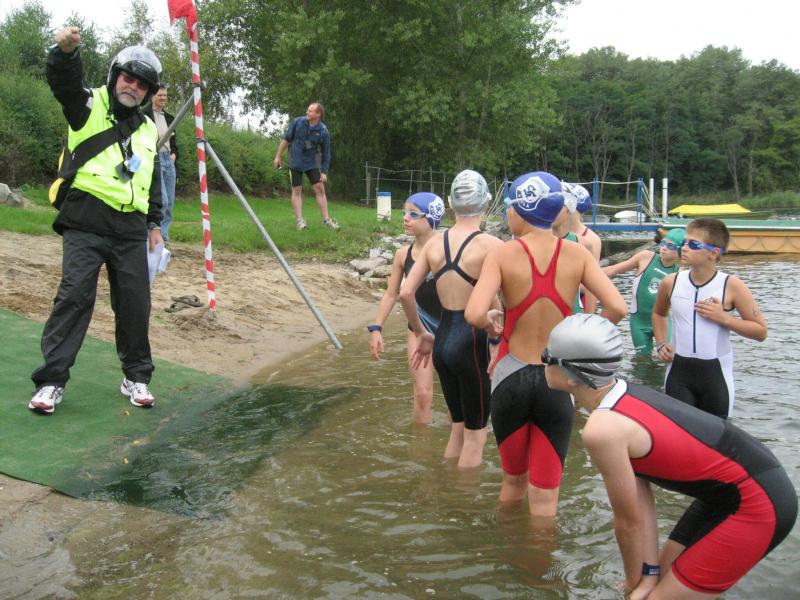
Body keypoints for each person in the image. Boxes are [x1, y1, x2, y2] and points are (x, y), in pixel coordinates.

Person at [542, 313, 796, 599]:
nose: (542, 362)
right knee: (658, 581)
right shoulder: (621, 393)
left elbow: (627, 523)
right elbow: (641, 501)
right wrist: (647, 574)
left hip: (761, 504)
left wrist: (632, 582)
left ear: (572, 375)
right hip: (733, 491)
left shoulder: (602, 430)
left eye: (547, 357)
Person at [464, 171, 626, 516]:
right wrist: (581, 341)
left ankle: (506, 545)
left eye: (509, 207)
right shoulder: (578, 254)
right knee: (546, 496)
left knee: (512, 482)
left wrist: (493, 322)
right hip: (558, 378)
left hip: (511, 376)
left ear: (520, 210)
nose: (507, 214)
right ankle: (540, 552)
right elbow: (617, 308)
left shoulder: (503, 254)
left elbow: (474, 314)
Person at [28, 27, 164, 414]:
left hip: (130, 228)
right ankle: (51, 381)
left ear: (148, 92)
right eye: (128, 78)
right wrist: (65, 53)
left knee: (135, 303)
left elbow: (150, 178)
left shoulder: (147, 129)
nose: (133, 87)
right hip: (86, 219)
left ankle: (136, 377)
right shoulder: (87, 104)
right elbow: (64, 82)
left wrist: (155, 224)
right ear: (115, 76)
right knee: (74, 297)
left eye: (142, 84)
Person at [399, 170, 503, 468]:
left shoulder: (435, 243)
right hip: (471, 342)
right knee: (476, 436)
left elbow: (405, 293)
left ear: (450, 203)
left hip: (443, 340)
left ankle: (445, 483)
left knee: (458, 428)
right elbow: (503, 300)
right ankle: (463, 494)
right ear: (486, 202)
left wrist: (422, 333)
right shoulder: (492, 246)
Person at [652, 218, 767, 418]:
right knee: (679, 433)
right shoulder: (671, 282)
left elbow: (760, 332)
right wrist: (661, 343)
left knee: (716, 435)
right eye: (685, 242)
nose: (684, 248)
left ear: (713, 253)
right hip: (678, 372)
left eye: (693, 244)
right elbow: (659, 313)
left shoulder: (731, 285)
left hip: (715, 377)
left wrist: (724, 318)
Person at [368, 192, 446, 425]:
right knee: (422, 394)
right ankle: (420, 445)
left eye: (413, 214)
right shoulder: (403, 254)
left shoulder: (449, 250)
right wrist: (377, 328)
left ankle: (455, 442)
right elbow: (391, 294)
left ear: (431, 218)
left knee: (456, 396)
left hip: (450, 327)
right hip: (418, 328)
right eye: (404, 213)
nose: (405, 218)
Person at [603, 228, 685, 356]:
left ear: (681, 252)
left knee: (668, 357)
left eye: (670, 246)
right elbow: (614, 269)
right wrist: (586, 275)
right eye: (663, 243)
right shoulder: (646, 257)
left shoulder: (680, 273)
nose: (664, 248)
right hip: (639, 322)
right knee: (642, 360)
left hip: (663, 322)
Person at [273, 103, 336, 230]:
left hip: (311, 163)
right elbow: (286, 140)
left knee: (320, 189)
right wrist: (278, 157)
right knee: (296, 190)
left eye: (311, 111)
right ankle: (300, 222)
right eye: (308, 110)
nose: (307, 112)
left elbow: (326, 153)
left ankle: (326, 220)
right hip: (295, 161)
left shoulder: (323, 131)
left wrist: (324, 172)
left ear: (318, 114)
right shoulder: (298, 122)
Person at [144, 84, 178, 243]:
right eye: (160, 95)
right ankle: (153, 236)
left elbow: (175, 144)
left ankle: (164, 240)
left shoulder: (170, 118)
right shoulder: (144, 115)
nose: (163, 98)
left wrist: (174, 156)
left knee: (169, 203)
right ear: (152, 97)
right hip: (154, 159)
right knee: (162, 200)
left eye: (165, 95)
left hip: (168, 161)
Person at [564, 182, 602, 312]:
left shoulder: (591, 240)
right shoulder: (554, 232)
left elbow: (593, 282)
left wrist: (590, 315)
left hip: (580, 299)